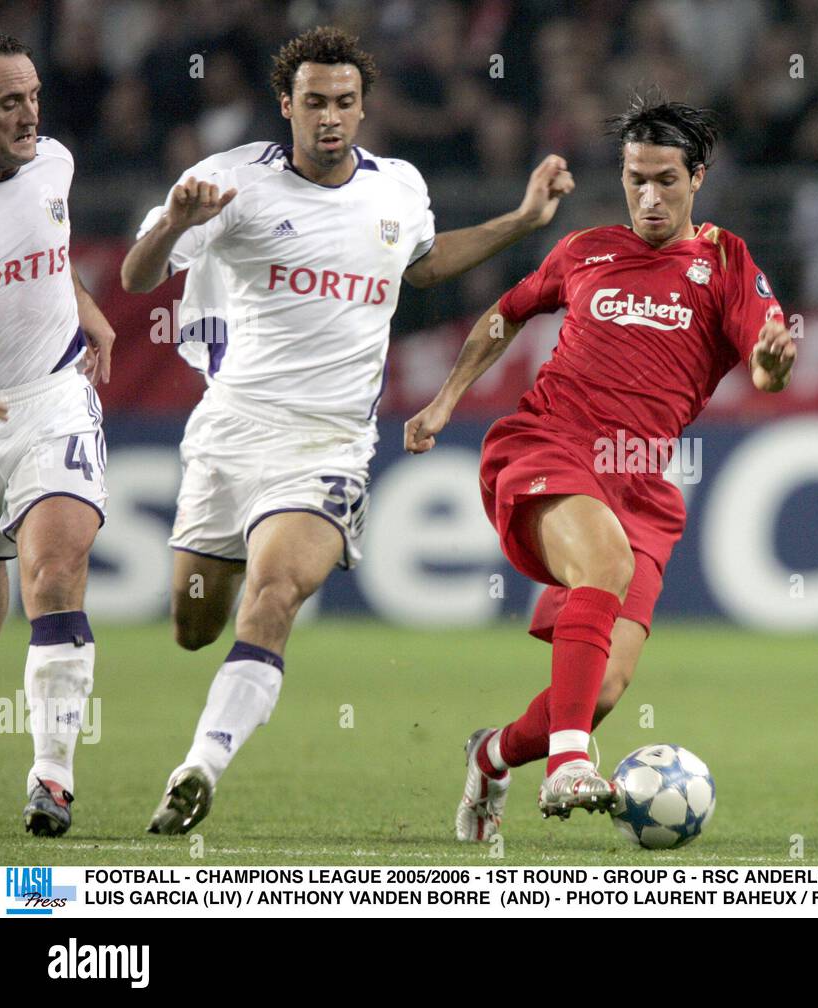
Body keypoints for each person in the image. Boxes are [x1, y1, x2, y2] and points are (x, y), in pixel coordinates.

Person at [120, 26, 573, 834]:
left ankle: (199, 767)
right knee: (193, 625)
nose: (330, 118)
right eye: (315, 103)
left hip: (329, 444)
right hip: (229, 432)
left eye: (346, 103)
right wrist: (167, 227)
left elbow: (423, 263)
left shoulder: (397, 186)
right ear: (285, 105)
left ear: (363, 108)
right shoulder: (228, 184)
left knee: (276, 595)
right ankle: (207, 720)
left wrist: (522, 219)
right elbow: (137, 276)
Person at [404, 96, 797, 839]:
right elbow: (506, 313)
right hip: (548, 445)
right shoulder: (585, 251)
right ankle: (568, 766)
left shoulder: (725, 262)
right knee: (604, 568)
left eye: (666, 181)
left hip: (641, 484)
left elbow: (766, 360)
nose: (649, 197)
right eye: (635, 178)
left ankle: (491, 755)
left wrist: (773, 366)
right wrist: (444, 401)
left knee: (602, 687)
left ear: (698, 178)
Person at [0, 34, 117, 837]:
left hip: (51, 401)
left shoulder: (55, 165)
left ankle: (53, 777)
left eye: (33, 95)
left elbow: (47, 255)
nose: (29, 114)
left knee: (53, 571)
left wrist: (90, 311)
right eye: (9, 102)